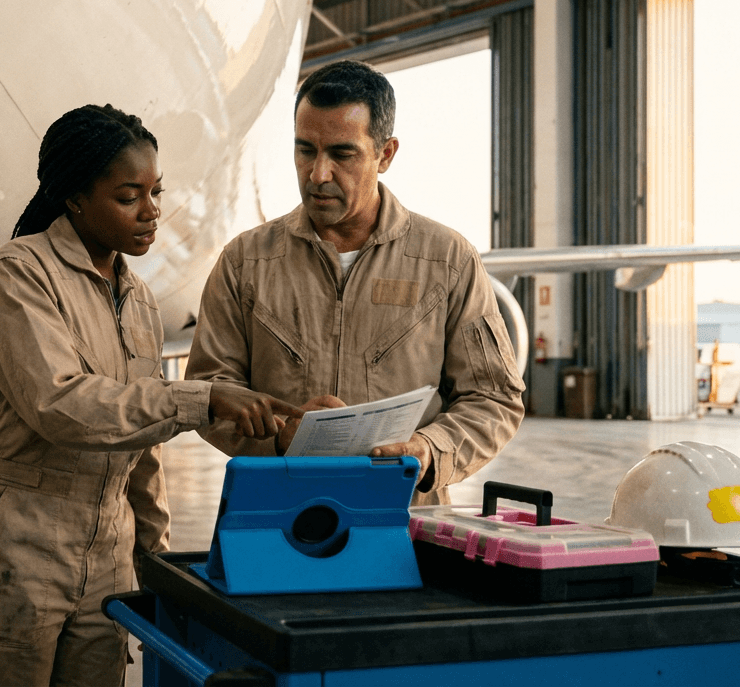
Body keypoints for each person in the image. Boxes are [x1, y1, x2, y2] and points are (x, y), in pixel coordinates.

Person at [0, 104, 300, 686]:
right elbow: (63, 405)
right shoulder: (18, 275)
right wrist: (200, 399)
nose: (152, 211)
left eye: (156, 192)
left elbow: (141, 445)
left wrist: (157, 563)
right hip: (12, 546)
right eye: (130, 196)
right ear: (75, 197)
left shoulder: (140, 301)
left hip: (107, 553)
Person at [185, 60, 525, 505]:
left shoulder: (448, 260)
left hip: (404, 527)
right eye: (305, 150)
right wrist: (281, 437)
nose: (318, 174)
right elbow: (208, 393)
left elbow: (493, 399)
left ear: (385, 154)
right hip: (277, 524)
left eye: (342, 154)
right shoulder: (245, 262)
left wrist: (428, 450)